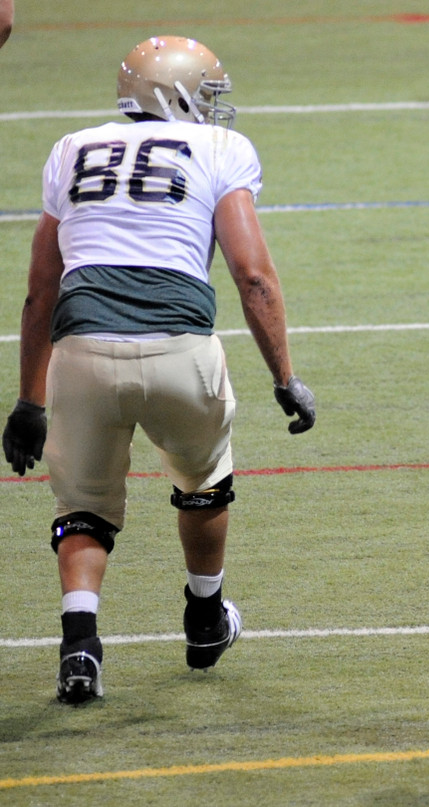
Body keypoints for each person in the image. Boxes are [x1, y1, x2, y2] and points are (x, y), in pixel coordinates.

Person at [1, 36, 316, 705]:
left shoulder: (70, 149)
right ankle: (205, 615)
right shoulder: (222, 150)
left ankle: (79, 645)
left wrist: (29, 399)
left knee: (83, 507)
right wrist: (285, 375)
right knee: (204, 479)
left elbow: (41, 289)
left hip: (82, 351)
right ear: (176, 91)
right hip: (179, 348)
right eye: (206, 90)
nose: (212, 104)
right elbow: (252, 274)